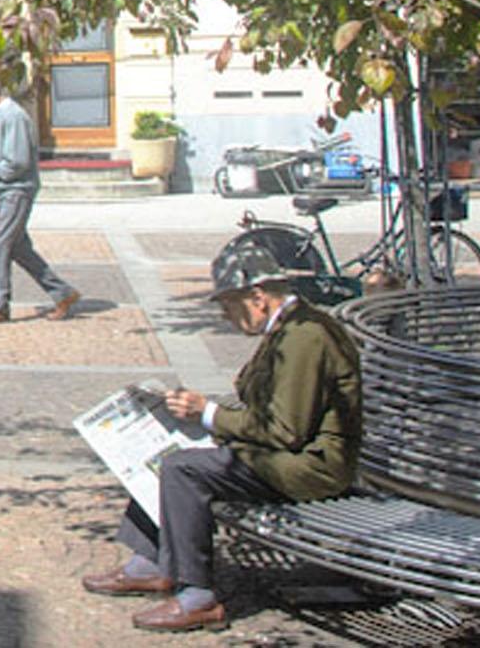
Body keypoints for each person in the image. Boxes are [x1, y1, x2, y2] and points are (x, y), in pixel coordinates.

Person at [82, 235, 363, 632]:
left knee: (181, 469)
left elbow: (286, 431)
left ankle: (197, 596)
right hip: (284, 455)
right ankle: (150, 561)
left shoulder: (305, 335)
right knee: (166, 450)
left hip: (312, 467)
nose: (226, 317)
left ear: (258, 296)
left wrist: (209, 414)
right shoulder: (290, 330)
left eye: (229, 305)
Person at [0, 72, 81, 324]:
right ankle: (62, 293)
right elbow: (7, 156)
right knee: (19, 248)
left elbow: (17, 162)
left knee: (2, 245)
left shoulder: (12, 116)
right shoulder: (2, 116)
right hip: (8, 189)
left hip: (16, 189)